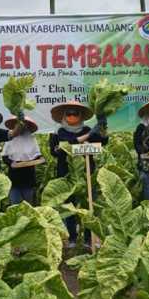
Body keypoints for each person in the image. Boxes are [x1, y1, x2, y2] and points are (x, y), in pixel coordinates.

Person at [48, 101, 107, 247]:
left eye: (75, 114)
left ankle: (88, 238)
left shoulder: (86, 129)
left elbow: (103, 141)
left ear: (80, 116)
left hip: (87, 173)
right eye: (69, 114)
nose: (72, 116)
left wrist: (102, 126)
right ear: (64, 116)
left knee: (89, 206)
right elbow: (59, 149)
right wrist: (86, 136)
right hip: (66, 174)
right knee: (69, 207)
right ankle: (72, 238)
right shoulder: (58, 132)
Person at [2, 116, 43, 205]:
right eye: (19, 125)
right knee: (15, 204)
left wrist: (40, 160)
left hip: (28, 176)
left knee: (28, 205)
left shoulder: (31, 139)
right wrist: (11, 163)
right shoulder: (10, 139)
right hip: (14, 176)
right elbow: (5, 157)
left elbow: (37, 155)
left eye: (23, 125)